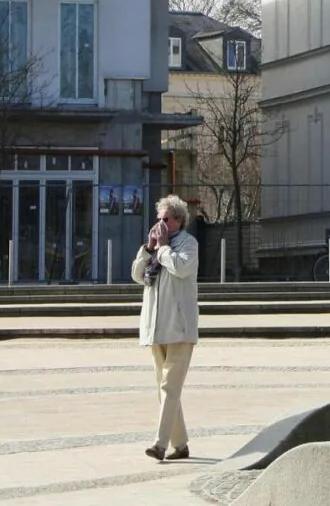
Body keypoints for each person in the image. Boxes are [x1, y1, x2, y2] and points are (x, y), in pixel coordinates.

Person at [130, 194, 199, 461]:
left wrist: (163, 248)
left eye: (166, 219)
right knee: (165, 388)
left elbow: (182, 268)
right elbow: (137, 275)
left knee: (170, 387)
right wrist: (149, 248)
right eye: (158, 218)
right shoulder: (155, 247)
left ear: (178, 221)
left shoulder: (187, 244)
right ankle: (180, 445)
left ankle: (160, 444)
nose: (160, 223)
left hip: (180, 328)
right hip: (155, 328)